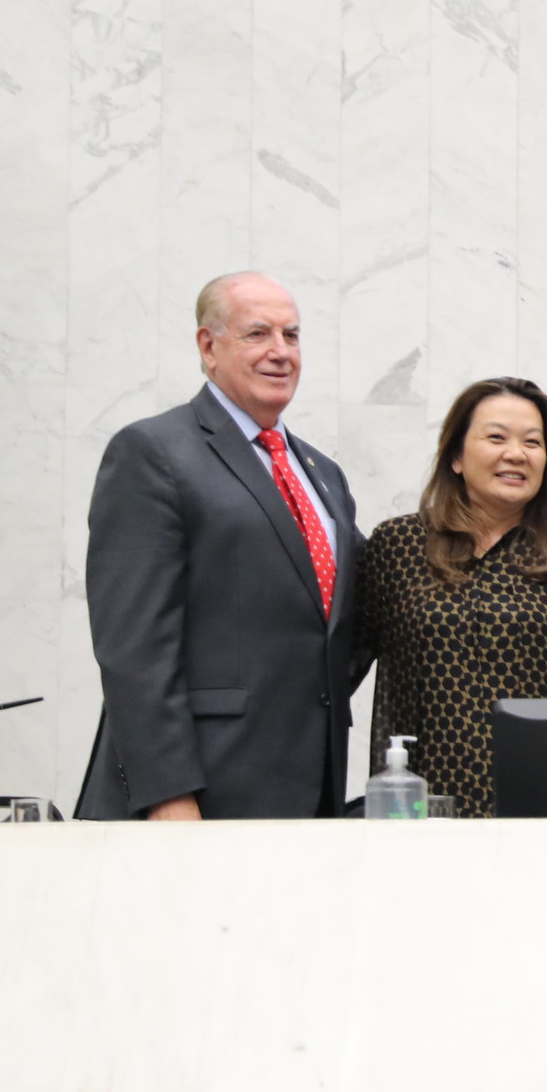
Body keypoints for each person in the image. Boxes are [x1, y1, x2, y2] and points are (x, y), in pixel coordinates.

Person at [77, 272, 360, 820]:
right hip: (198, 796)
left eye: (292, 336)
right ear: (209, 346)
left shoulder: (322, 475)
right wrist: (167, 794)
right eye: (258, 334)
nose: (281, 352)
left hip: (306, 794)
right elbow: (133, 648)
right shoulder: (153, 452)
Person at [356, 378, 547, 817]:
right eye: (496, 437)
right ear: (456, 455)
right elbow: (345, 660)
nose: (516, 454)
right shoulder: (397, 545)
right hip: (420, 803)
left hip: (538, 805)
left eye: (533, 442)